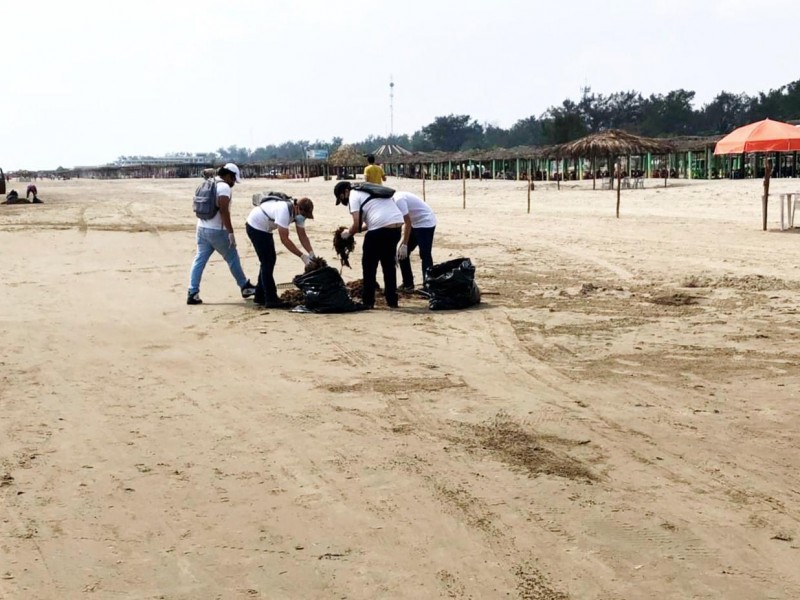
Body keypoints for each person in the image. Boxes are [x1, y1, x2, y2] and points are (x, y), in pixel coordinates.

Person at [186, 163, 256, 305]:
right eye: (233, 180)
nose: (233, 184)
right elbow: (224, 211)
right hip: (217, 230)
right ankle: (244, 287)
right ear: (229, 175)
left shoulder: (208, 182)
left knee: (199, 260)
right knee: (232, 257)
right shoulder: (223, 187)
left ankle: (192, 292)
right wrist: (230, 232)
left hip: (201, 228)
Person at [334, 181, 403, 309]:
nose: (343, 201)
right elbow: (369, 223)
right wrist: (354, 230)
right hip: (396, 227)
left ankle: (368, 301)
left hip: (379, 231)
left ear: (345, 192)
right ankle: (392, 301)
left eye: (341, 198)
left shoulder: (354, 195)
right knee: (389, 266)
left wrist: (348, 233)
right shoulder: (367, 192)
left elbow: (356, 223)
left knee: (369, 266)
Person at [246, 195, 316, 308]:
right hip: (256, 226)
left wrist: (311, 253)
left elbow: (302, 236)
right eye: (303, 215)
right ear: (297, 207)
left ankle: (259, 295)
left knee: (268, 260)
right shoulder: (284, 211)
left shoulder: (299, 214)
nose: (303, 217)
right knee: (267, 261)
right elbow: (285, 240)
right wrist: (303, 256)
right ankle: (270, 299)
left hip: (266, 228)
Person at [393, 191, 437, 292]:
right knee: (402, 254)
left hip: (426, 222)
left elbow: (407, 223)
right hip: (415, 223)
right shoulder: (391, 203)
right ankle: (408, 284)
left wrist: (405, 244)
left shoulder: (398, 200)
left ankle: (428, 285)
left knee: (425, 254)